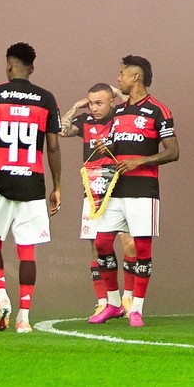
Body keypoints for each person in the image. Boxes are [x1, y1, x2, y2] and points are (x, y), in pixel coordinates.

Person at [0, 42, 62, 334]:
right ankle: (24, 317)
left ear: (9, 66)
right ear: (31, 68)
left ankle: (0, 295)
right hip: (32, 182)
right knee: (27, 251)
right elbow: (54, 146)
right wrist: (57, 185)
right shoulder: (46, 98)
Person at [94, 55, 180, 328]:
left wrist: (139, 161)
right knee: (102, 243)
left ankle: (137, 309)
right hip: (116, 189)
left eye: (122, 74)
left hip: (144, 190)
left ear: (136, 78)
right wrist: (104, 147)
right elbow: (117, 146)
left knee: (142, 248)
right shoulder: (118, 112)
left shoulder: (158, 110)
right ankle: (113, 303)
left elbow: (173, 152)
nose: (118, 79)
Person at [59, 83, 137, 322]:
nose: (94, 108)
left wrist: (117, 91)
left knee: (129, 243)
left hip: (120, 185)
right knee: (96, 245)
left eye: (99, 102)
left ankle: (129, 299)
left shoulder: (122, 116)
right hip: (93, 188)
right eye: (91, 103)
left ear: (112, 101)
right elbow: (60, 129)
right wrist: (74, 108)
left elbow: (134, 106)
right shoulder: (86, 121)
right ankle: (103, 302)